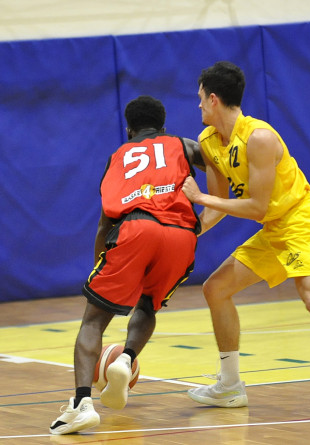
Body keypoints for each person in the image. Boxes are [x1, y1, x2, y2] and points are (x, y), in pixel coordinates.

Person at [181, 61, 310, 421]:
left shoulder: (259, 137)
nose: (197, 105)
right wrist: (187, 234)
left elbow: (256, 207)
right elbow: (217, 206)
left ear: (214, 99)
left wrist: (200, 198)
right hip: (274, 228)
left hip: (301, 220)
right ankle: (229, 385)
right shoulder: (209, 142)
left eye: (200, 98)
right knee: (215, 289)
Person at [50, 95, 204, 435]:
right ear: (163, 126)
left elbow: (105, 221)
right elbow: (222, 166)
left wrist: (100, 263)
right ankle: (126, 358)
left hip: (137, 228)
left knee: (93, 320)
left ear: (129, 129)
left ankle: (81, 405)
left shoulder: (118, 157)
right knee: (148, 305)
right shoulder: (184, 144)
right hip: (182, 234)